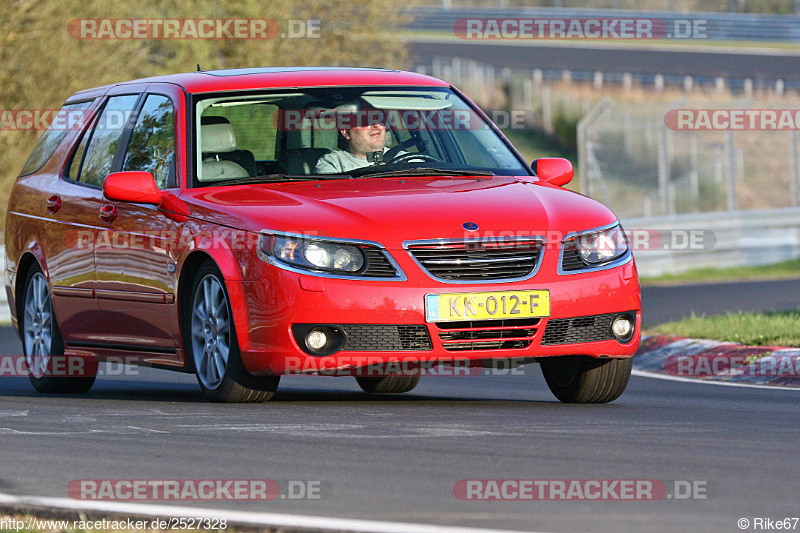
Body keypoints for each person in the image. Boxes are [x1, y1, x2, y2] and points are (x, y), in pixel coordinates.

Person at [314, 117, 389, 174]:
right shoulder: (333, 163)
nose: (376, 125)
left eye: (380, 120)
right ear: (346, 132)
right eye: (365, 121)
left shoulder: (399, 157)